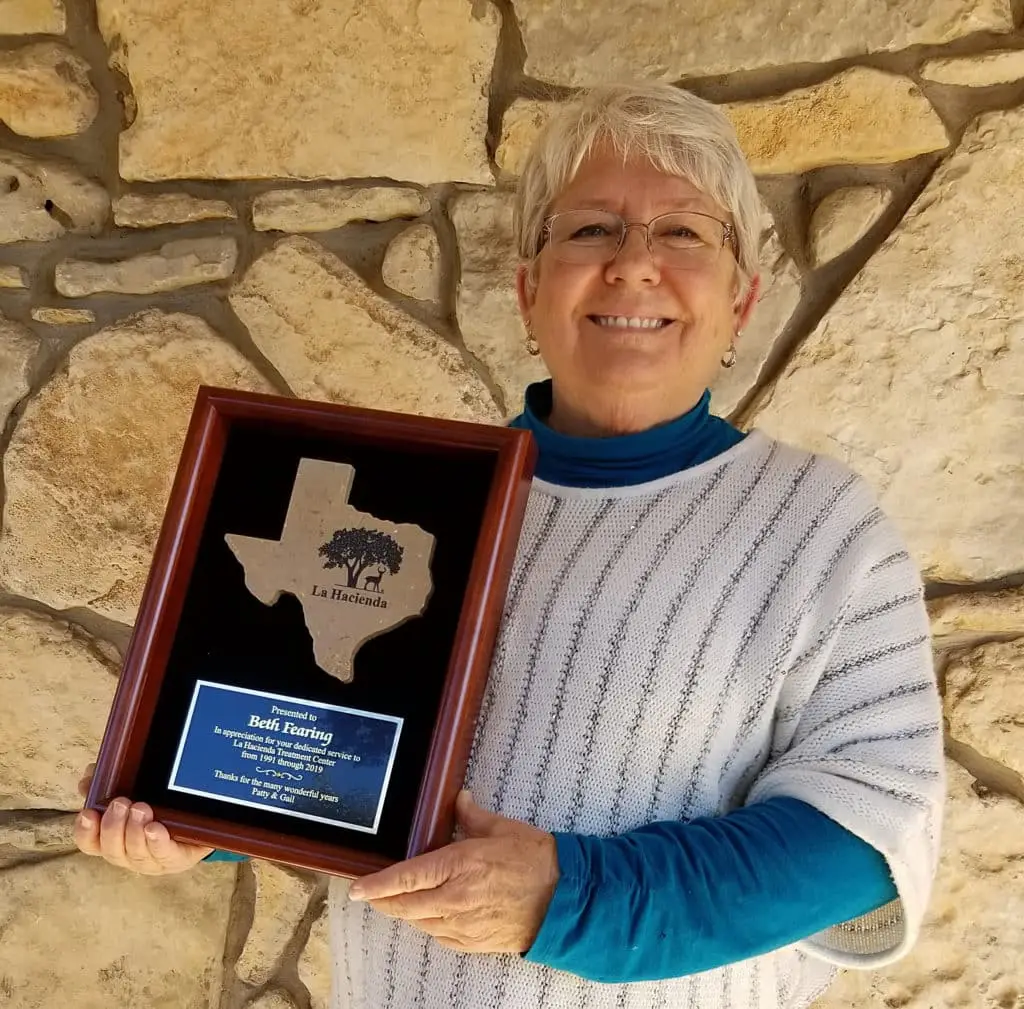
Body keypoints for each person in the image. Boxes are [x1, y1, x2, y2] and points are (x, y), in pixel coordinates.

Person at [75, 82, 944, 1008]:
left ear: (742, 298)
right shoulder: (418, 507)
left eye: (685, 233)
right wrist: (195, 805)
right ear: (530, 292)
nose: (634, 265)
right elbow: (327, 734)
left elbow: (865, 839)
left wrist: (573, 898)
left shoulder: (821, 527)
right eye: (592, 229)